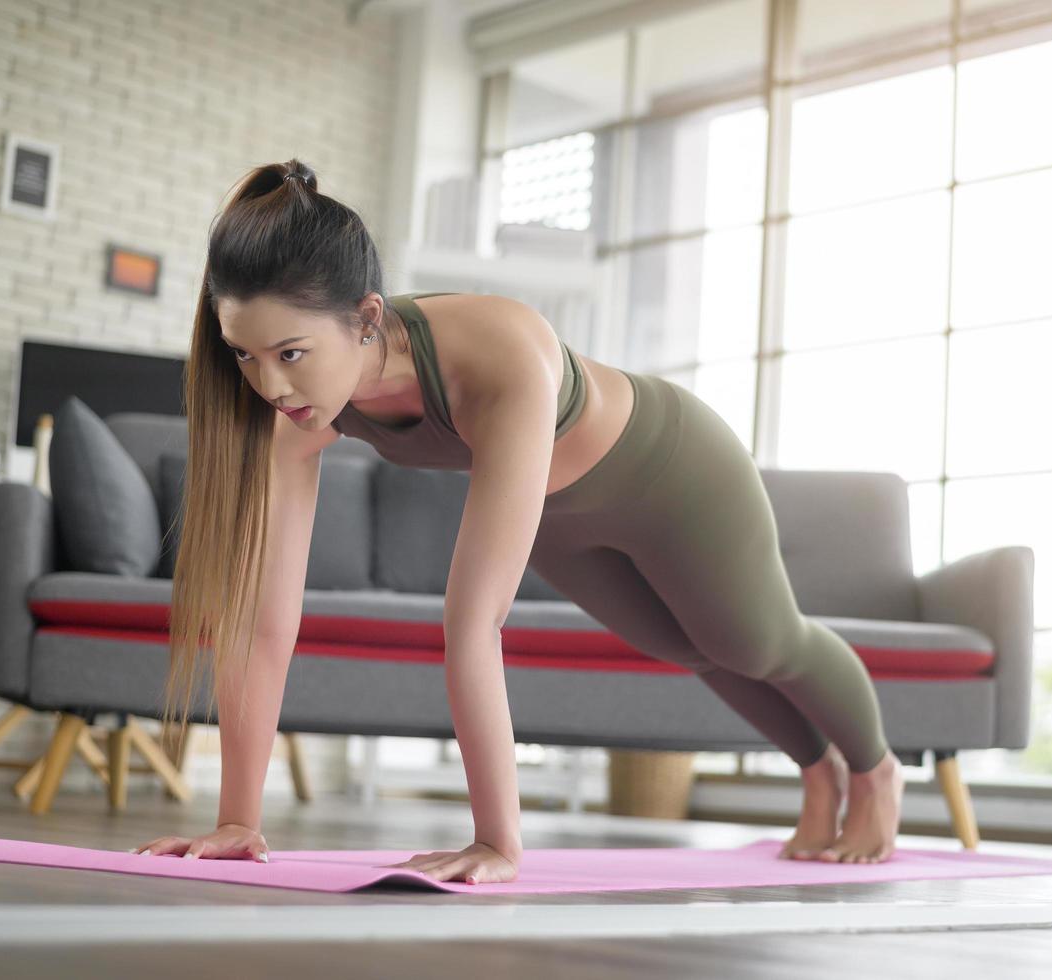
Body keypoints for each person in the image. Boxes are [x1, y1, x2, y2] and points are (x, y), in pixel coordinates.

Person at [131, 159, 904, 884]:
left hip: (673, 471)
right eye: (244, 356)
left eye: (291, 353)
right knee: (683, 645)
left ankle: (873, 771)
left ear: (365, 319)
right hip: (562, 514)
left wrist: (497, 840)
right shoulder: (296, 415)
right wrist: (238, 818)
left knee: (757, 641)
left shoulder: (497, 350)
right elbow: (267, 623)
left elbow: (473, 624)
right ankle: (817, 770)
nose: (268, 383)